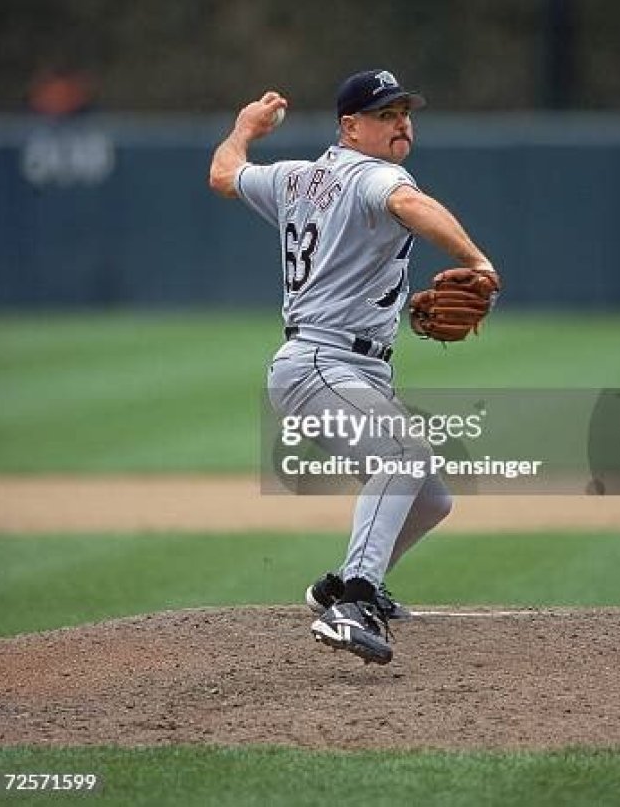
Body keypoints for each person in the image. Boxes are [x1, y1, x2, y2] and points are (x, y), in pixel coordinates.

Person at [209, 69, 499, 665]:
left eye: (404, 114)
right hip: (321, 361)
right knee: (403, 457)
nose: (401, 124)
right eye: (386, 115)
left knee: (430, 499)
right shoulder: (379, 176)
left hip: (337, 366)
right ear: (351, 127)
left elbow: (223, 174)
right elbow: (409, 204)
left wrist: (244, 129)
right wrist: (477, 259)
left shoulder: (293, 178)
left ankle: (335, 588)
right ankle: (356, 604)